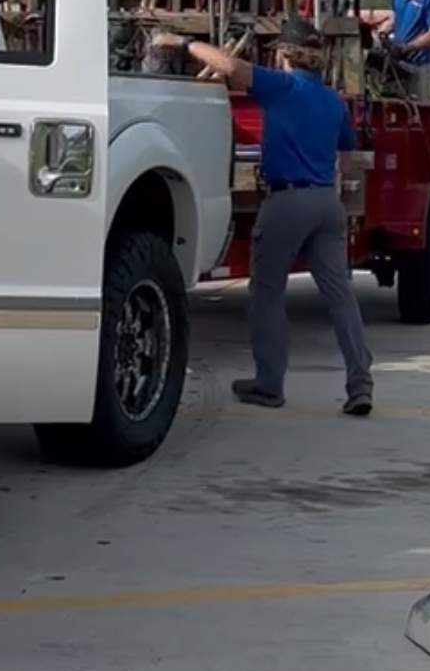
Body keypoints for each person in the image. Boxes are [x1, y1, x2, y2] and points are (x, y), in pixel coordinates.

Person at [152, 20, 373, 416]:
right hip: (327, 202)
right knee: (340, 296)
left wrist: (181, 42)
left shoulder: (282, 87)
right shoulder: (333, 101)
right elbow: (345, 156)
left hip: (287, 201)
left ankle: (269, 384)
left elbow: (229, 66)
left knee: (267, 293)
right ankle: (361, 384)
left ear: (284, 54)